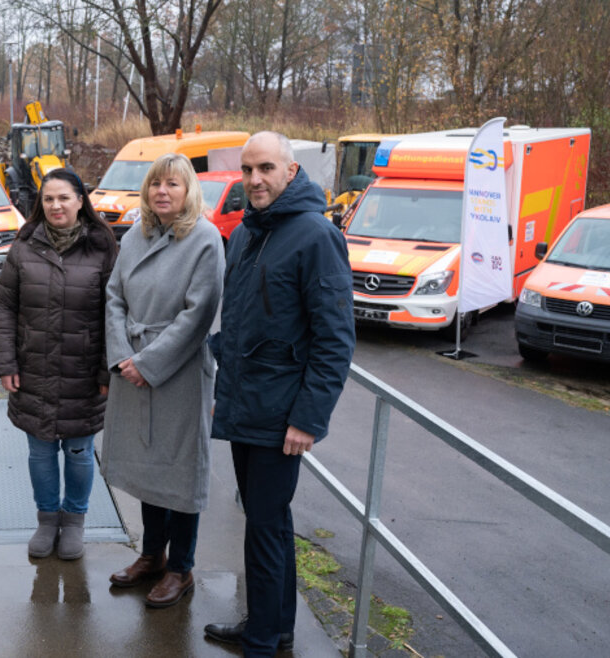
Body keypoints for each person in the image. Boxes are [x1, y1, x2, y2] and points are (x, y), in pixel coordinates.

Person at [204, 131, 356, 656]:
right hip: (248, 403)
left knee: (263, 527)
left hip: (281, 414)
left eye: (265, 168)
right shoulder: (248, 232)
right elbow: (243, 325)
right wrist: (226, 391)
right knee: (268, 518)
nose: (254, 180)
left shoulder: (315, 235)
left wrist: (309, 418)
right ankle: (278, 624)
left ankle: (262, 639)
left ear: (291, 171)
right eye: (247, 170)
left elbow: (335, 339)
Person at [101, 152, 224, 608]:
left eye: (172, 184)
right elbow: (113, 296)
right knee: (147, 465)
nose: (162, 192)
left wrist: (149, 363)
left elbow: (198, 316)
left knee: (181, 468)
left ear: (188, 190)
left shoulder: (206, 239)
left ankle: (181, 568)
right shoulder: (136, 234)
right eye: (156, 184)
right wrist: (123, 357)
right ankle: (152, 554)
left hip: (179, 373)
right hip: (131, 366)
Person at [0, 168, 119, 561]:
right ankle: (47, 520)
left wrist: (105, 371)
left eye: (64, 197)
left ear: (81, 200)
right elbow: (5, 308)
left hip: (83, 374)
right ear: (39, 203)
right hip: (35, 370)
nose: (56, 205)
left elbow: (115, 314)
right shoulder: (23, 247)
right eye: (48, 199)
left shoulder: (103, 248)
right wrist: (5, 362)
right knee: (41, 452)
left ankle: (75, 521)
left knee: (80, 452)